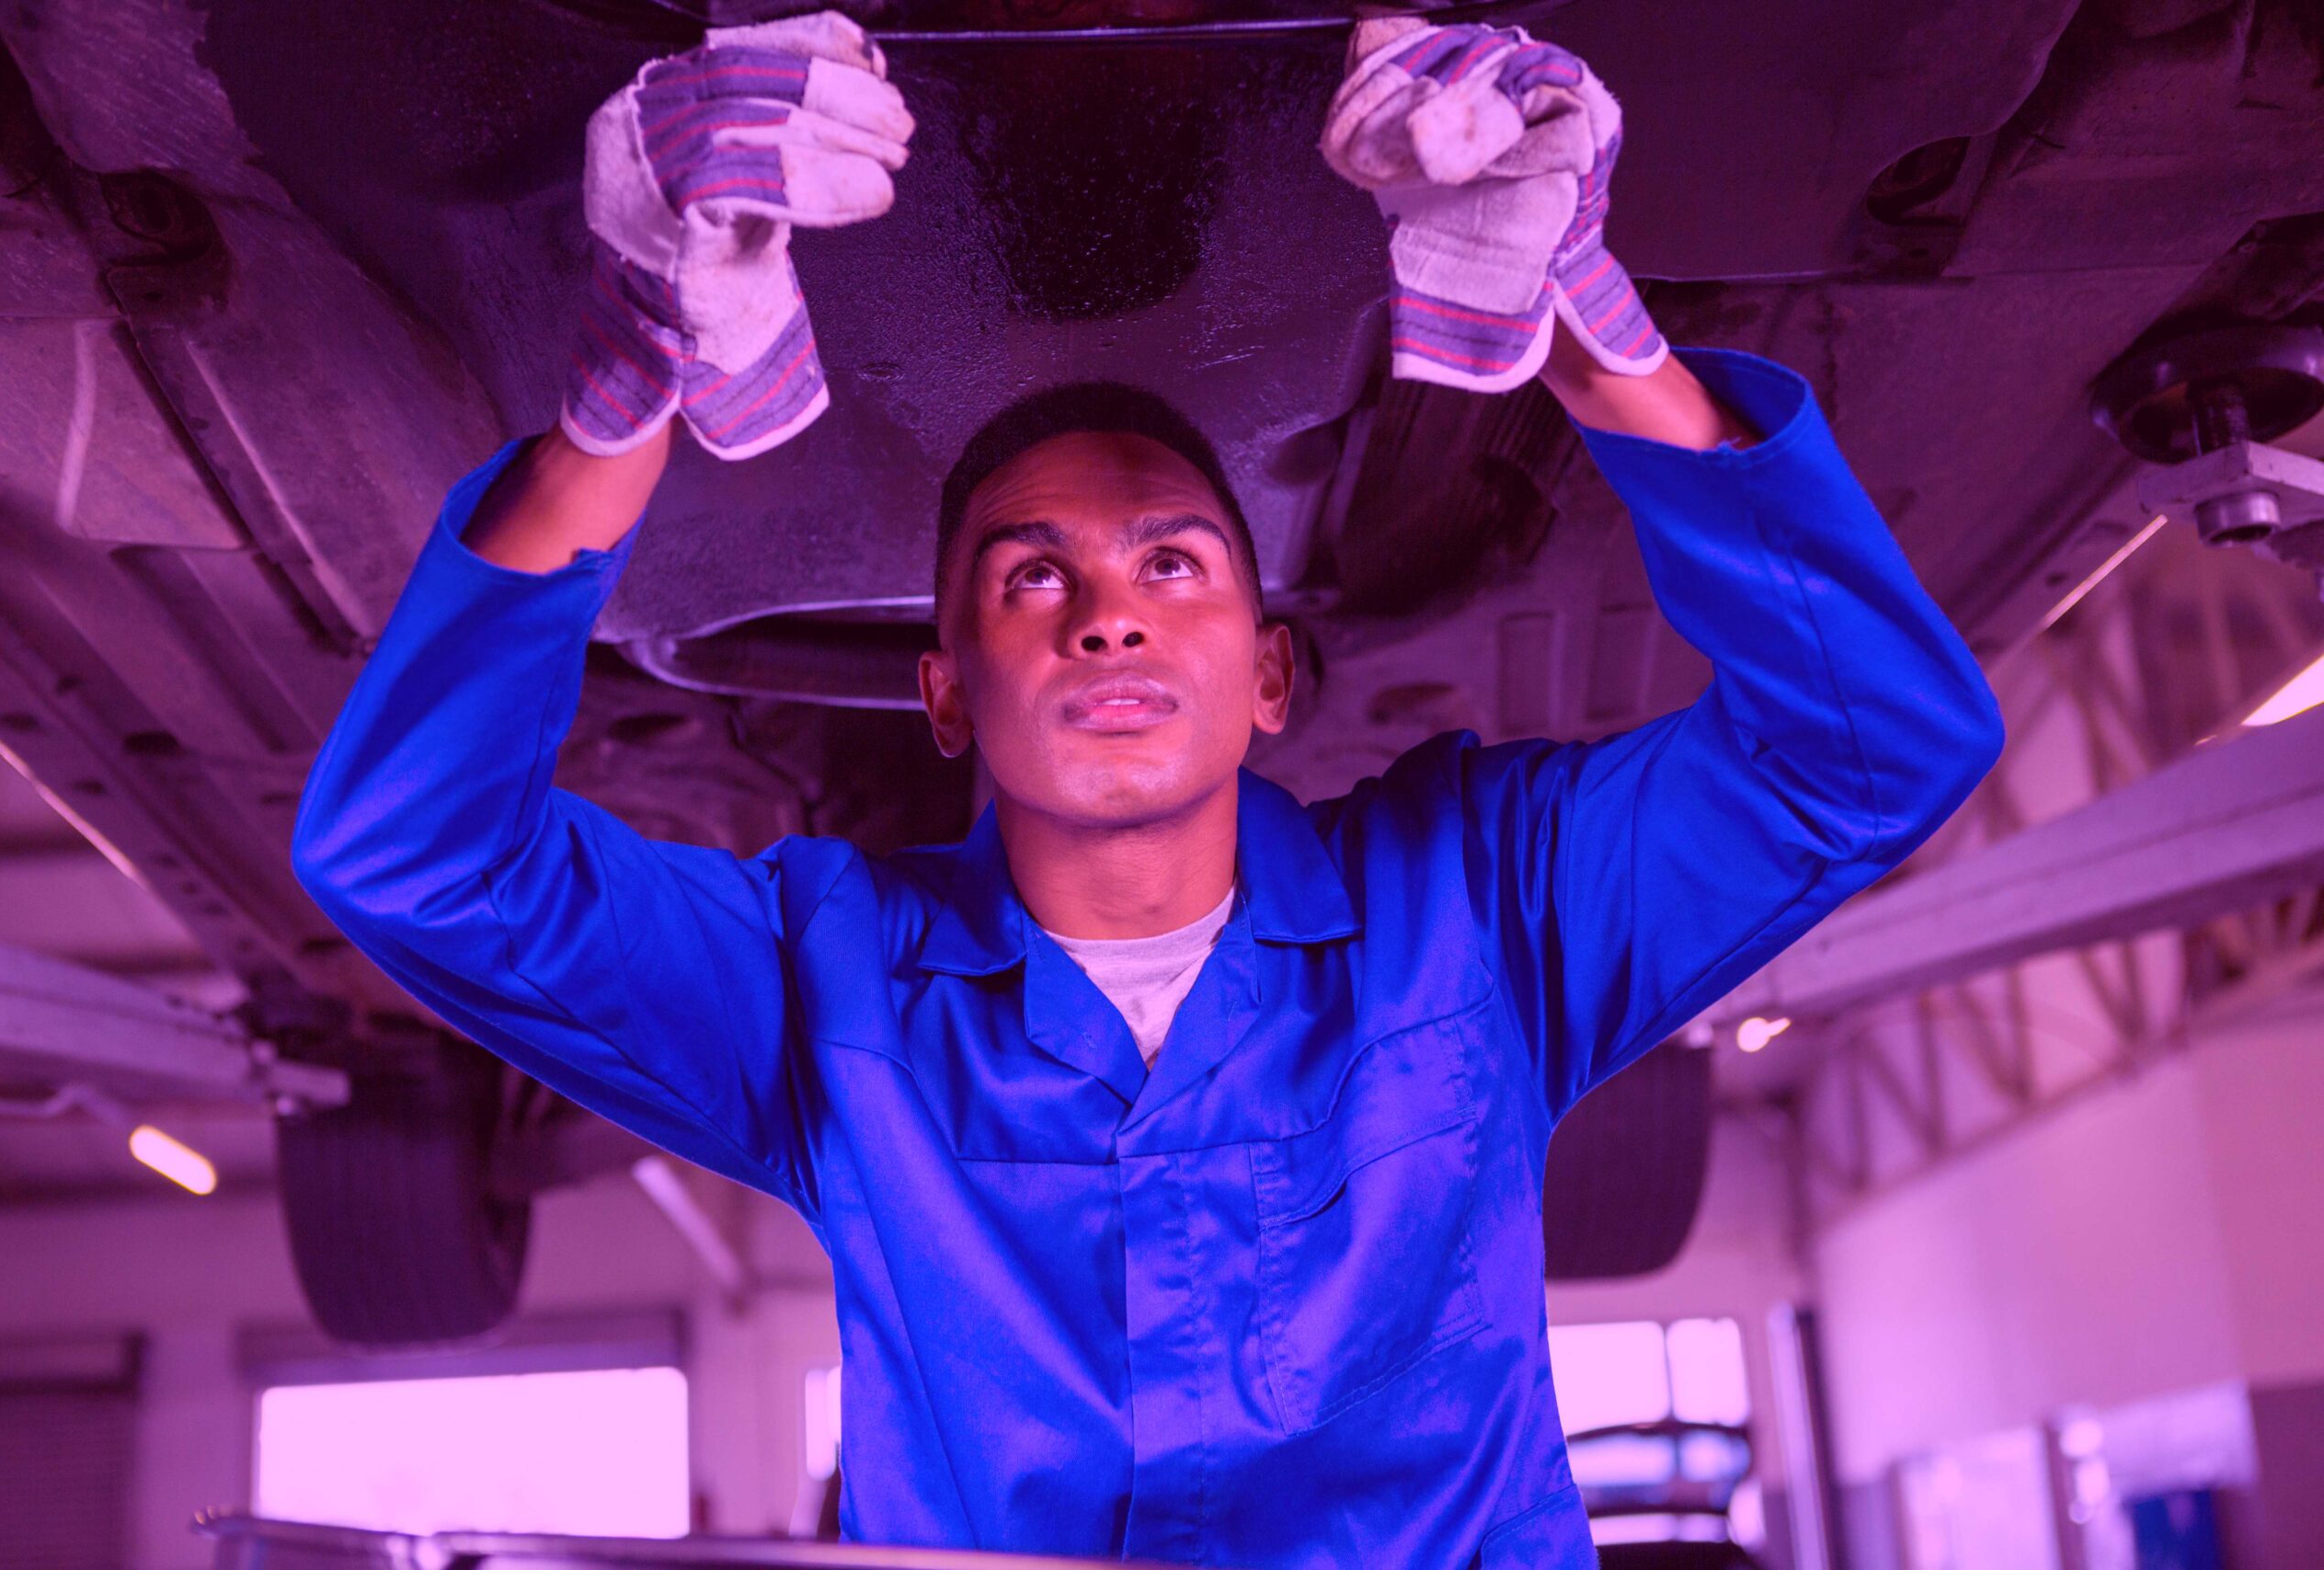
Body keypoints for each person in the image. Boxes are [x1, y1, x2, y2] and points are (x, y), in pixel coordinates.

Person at [292, 14, 2003, 1567]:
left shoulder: (1489, 903)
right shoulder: (822, 991)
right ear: (945, 695)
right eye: (1031, 578)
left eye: (1173, 562)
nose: (1108, 608)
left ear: (1268, 675)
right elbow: (414, 860)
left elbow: (1876, 745)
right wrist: (621, 391)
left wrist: (1589, 323)